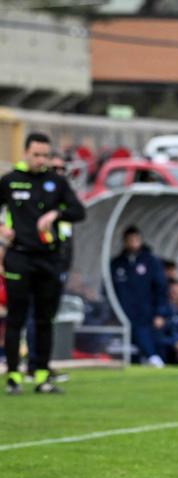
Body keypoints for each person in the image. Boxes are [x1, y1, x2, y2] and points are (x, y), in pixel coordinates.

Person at [1, 132, 86, 395]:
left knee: (44, 319)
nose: (41, 160)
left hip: (48, 258)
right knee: (15, 319)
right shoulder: (11, 181)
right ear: (26, 153)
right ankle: (14, 375)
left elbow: (79, 211)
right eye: (36, 155)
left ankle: (41, 375)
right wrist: (1, 227)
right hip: (19, 256)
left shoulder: (56, 182)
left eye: (45, 155)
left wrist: (56, 213)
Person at [111, 226, 167, 367]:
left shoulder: (151, 262)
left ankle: (153, 358)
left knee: (145, 335)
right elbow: (108, 289)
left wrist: (160, 312)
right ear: (124, 241)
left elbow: (160, 288)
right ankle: (148, 358)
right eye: (130, 240)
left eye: (136, 239)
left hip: (146, 311)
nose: (133, 243)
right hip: (123, 312)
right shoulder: (116, 264)